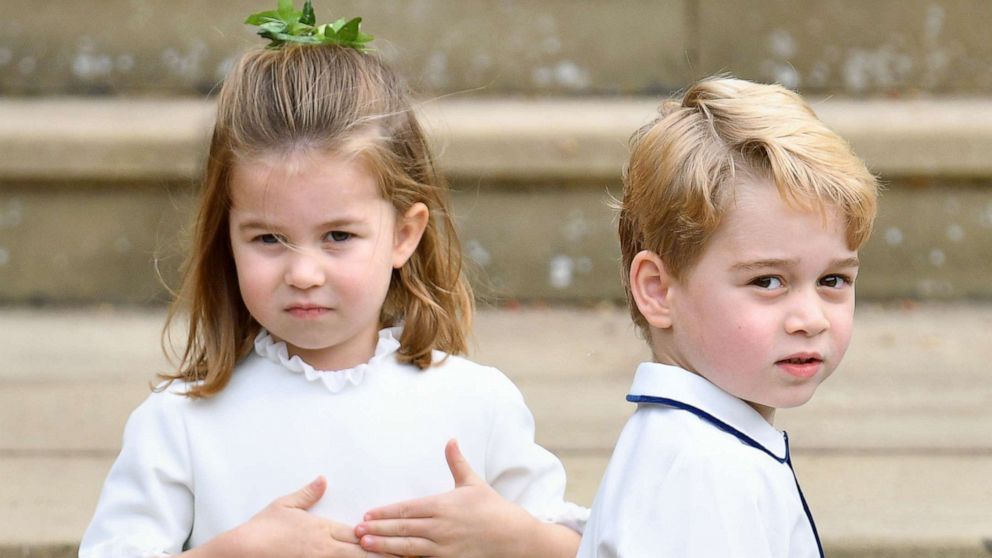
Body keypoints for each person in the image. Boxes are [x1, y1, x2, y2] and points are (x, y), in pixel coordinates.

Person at [79, 3, 585, 557]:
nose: (302, 273)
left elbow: (595, 546)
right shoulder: (180, 423)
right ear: (226, 234)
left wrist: (517, 540)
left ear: (403, 235)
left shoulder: (477, 403)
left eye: (338, 236)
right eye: (268, 239)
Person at [577, 77, 878, 557]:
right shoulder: (704, 472)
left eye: (833, 281)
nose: (811, 319)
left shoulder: (701, 446)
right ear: (657, 290)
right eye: (767, 282)